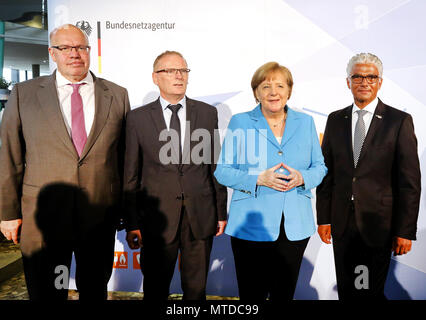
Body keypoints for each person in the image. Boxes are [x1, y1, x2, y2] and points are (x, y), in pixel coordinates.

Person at [0, 24, 130, 300]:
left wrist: (128, 212)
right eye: (65, 48)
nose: (74, 54)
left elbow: (124, 159)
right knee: (48, 292)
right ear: (52, 53)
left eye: (81, 47)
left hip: (98, 216)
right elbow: (9, 156)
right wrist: (8, 212)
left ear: (89, 51)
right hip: (44, 218)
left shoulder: (117, 95)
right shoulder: (24, 94)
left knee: (94, 289)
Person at [214, 62, 327, 300]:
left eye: (279, 85)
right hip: (250, 226)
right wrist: (258, 179)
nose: (273, 92)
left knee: (283, 294)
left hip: (295, 226)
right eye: (266, 86)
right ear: (256, 92)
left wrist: (302, 177)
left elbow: (320, 167)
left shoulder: (305, 122)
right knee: (251, 295)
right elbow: (222, 171)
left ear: (289, 91)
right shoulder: (240, 122)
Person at [124, 50, 227, 300]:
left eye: (183, 70)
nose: (178, 75)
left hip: (200, 215)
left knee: (196, 290)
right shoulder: (137, 118)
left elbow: (215, 166)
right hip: (156, 220)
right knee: (156, 289)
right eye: (170, 70)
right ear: (155, 77)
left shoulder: (206, 113)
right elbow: (130, 174)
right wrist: (132, 222)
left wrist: (220, 212)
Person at [316, 53, 421, 300]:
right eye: (358, 76)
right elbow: (326, 174)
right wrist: (324, 218)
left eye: (371, 77)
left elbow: (410, 183)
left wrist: (405, 230)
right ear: (348, 81)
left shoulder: (399, 121)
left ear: (380, 82)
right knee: (347, 290)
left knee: (369, 292)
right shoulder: (335, 119)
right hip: (342, 224)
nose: (364, 82)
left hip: (379, 225)